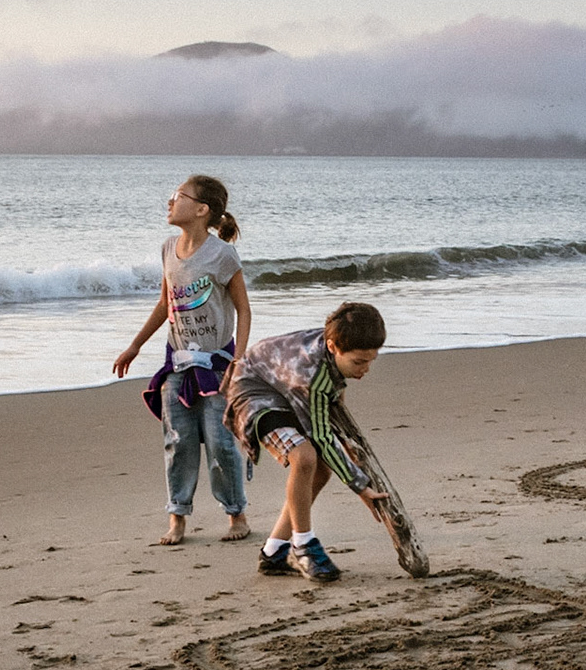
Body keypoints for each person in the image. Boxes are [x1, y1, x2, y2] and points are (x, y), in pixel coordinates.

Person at [111, 175, 252, 546]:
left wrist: (238, 361)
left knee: (221, 444)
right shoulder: (168, 248)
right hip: (177, 364)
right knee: (178, 441)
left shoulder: (222, 255)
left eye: (178, 196)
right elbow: (165, 304)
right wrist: (135, 345)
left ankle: (236, 513)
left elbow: (244, 309)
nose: (170, 201)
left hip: (216, 367)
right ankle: (177, 517)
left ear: (202, 209)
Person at [223, 301, 388, 582]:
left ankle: (274, 551)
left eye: (371, 360)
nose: (366, 368)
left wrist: (349, 452)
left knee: (322, 469)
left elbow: (332, 401)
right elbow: (322, 435)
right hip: (253, 393)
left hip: (283, 389)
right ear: (333, 347)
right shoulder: (311, 376)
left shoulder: (334, 350)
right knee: (305, 457)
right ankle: (303, 545)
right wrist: (360, 486)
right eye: (359, 362)